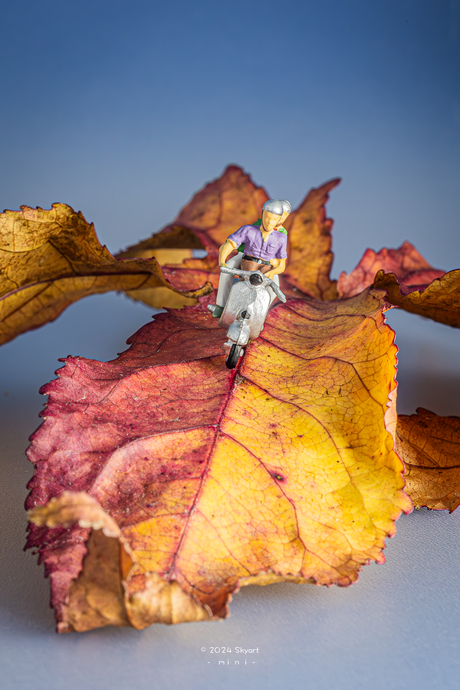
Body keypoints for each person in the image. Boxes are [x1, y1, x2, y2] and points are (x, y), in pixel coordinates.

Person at [209, 199, 291, 318]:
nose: (272, 221)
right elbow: (232, 243)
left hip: (267, 264)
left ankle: (260, 316)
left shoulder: (282, 235)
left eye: (283, 216)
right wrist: (222, 261)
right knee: (227, 269)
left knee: (273, 289)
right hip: (244, 255)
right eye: (269, 217)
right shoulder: (254, 226)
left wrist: (274, 267)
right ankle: (221, 305)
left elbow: (281, 261)